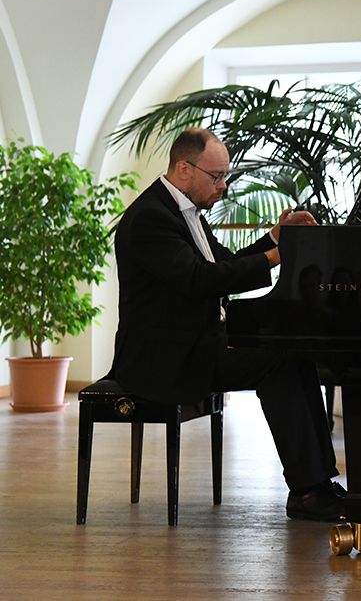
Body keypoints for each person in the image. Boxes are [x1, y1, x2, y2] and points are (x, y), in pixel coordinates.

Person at [110, 128, 345, 522]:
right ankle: (308, 491)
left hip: (196, 345)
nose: (223, 186)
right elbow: (199, 280)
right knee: (277, 363)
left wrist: (275, 238)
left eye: (225, 176)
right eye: (216, 176)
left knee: (293, 353)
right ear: (184, 169)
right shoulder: (151, 218)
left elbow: (225, 264)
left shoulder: (184, 212)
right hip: (164, 360)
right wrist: (274, 257)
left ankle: (318, 483)